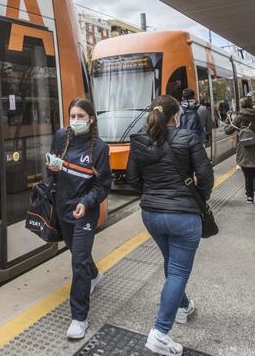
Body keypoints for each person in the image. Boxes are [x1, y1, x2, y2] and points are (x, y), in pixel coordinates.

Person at [126, 95, 213, 356]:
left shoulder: (139, 141)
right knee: (177, 271)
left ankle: (183, 307)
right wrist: (199, 198)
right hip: (183, 216)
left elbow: (132, 179)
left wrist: (152, 194)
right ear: (176, 116)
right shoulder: (188, 138)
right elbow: (206, 175)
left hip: (152, 216)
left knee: (171, 263)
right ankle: (160, 333)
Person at [46, 98, 112, 341]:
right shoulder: (61, 137)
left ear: (91, 119)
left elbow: (104, 185)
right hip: (63, 208)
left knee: (78, 262)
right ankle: (94, 276)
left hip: (85, 211)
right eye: (72, 116)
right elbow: (51, 166)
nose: (75, 121)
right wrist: (52, 171)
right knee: (77, 254)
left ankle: (79, 318)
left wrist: (87, 202)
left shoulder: (100, 149)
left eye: (81, 117)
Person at [226, 96, 255, 205]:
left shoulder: (239, 117)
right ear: (251, 104)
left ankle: (250, 197)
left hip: (244, 150)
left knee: (247, 175)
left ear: (241, 105)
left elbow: (228, 131)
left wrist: (229, 119)